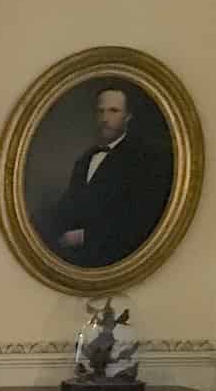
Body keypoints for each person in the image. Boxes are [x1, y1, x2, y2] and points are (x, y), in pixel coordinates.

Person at [49, 86, 172, 269]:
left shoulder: (142, 160)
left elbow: (140, 220)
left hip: (119, 261)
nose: (105, 119)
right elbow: (69, 206)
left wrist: (84, 236)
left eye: (114, 111)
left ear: (128, 116)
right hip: (79, 262)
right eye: (101, 111)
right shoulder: (84, 160)